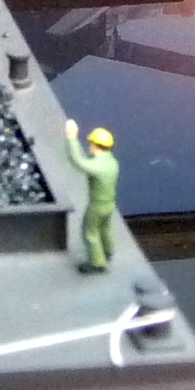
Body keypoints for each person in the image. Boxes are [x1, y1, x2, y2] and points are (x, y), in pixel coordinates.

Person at [62, 117, 119, 273]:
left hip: (97, 205)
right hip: (110, 204)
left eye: (91, 144)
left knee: (90, 232)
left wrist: (72, 138)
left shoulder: (98, 165)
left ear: (95, 145)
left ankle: (97, 262)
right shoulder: (111, 162)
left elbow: (78, 161)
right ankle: (108, 250)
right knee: (105, 228)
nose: (89, 147)